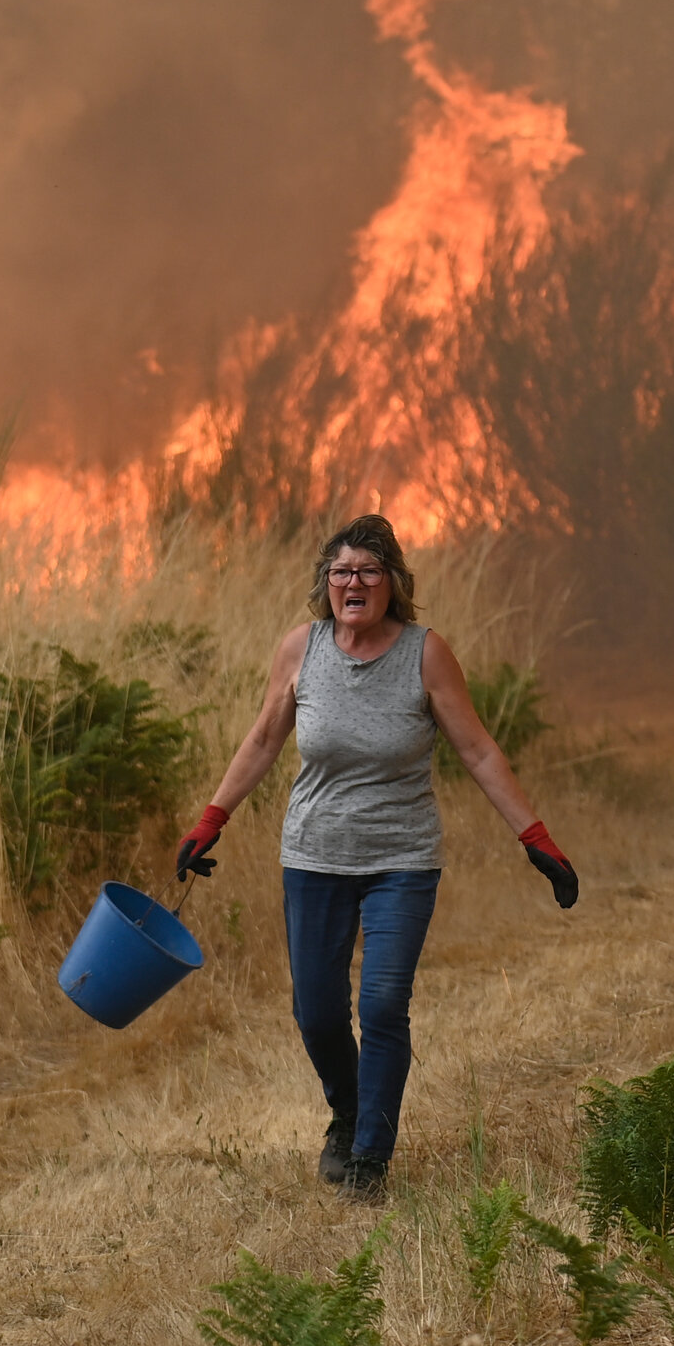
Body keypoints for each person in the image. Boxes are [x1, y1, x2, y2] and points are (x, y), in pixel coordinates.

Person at [175, 514, 577, 1204]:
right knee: (319, 1013)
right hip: (314, 856)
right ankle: (348, 1110)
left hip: (402, 859)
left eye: (367, 571)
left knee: (384, 1004)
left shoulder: (425, 654)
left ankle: (369, 1157)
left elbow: (477, 750)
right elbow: (265, 738)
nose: (353, 582)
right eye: (340, 572)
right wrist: (212, 819)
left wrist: (535, 838)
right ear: (325, 586)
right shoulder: (301, 649)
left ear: (393, 584)